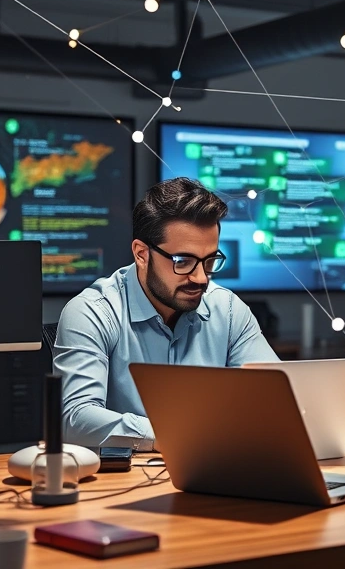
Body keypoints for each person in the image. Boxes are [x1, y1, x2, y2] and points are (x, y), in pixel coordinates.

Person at [56, 177, 279, 450]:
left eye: (210, 261)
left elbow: (276, 401)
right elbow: (74, 419)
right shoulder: (92, 311)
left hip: (218, 469)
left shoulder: (229, 310)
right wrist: (177, 435)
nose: (201, 278)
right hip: (124, 484)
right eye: (183, 262)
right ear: (141, 254)